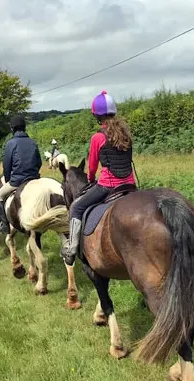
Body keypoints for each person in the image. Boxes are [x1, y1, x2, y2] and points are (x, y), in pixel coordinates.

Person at [61, 90, 136, 266]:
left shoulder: (98, 137)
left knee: (77, 207)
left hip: (108, 186)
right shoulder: (125, 133)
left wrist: (90, 178)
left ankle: (71, 248)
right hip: (130, 184)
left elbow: (93, 165)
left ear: (96, 115)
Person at [0, 115, 42, 234]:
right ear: (24, 127)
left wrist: (10, 179)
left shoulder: (11, 143)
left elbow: (6, 166)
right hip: (33, 179)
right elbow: (39, 162)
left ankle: (4, 225)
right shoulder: (32, 142)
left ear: (12, 129)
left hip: (18, 180)